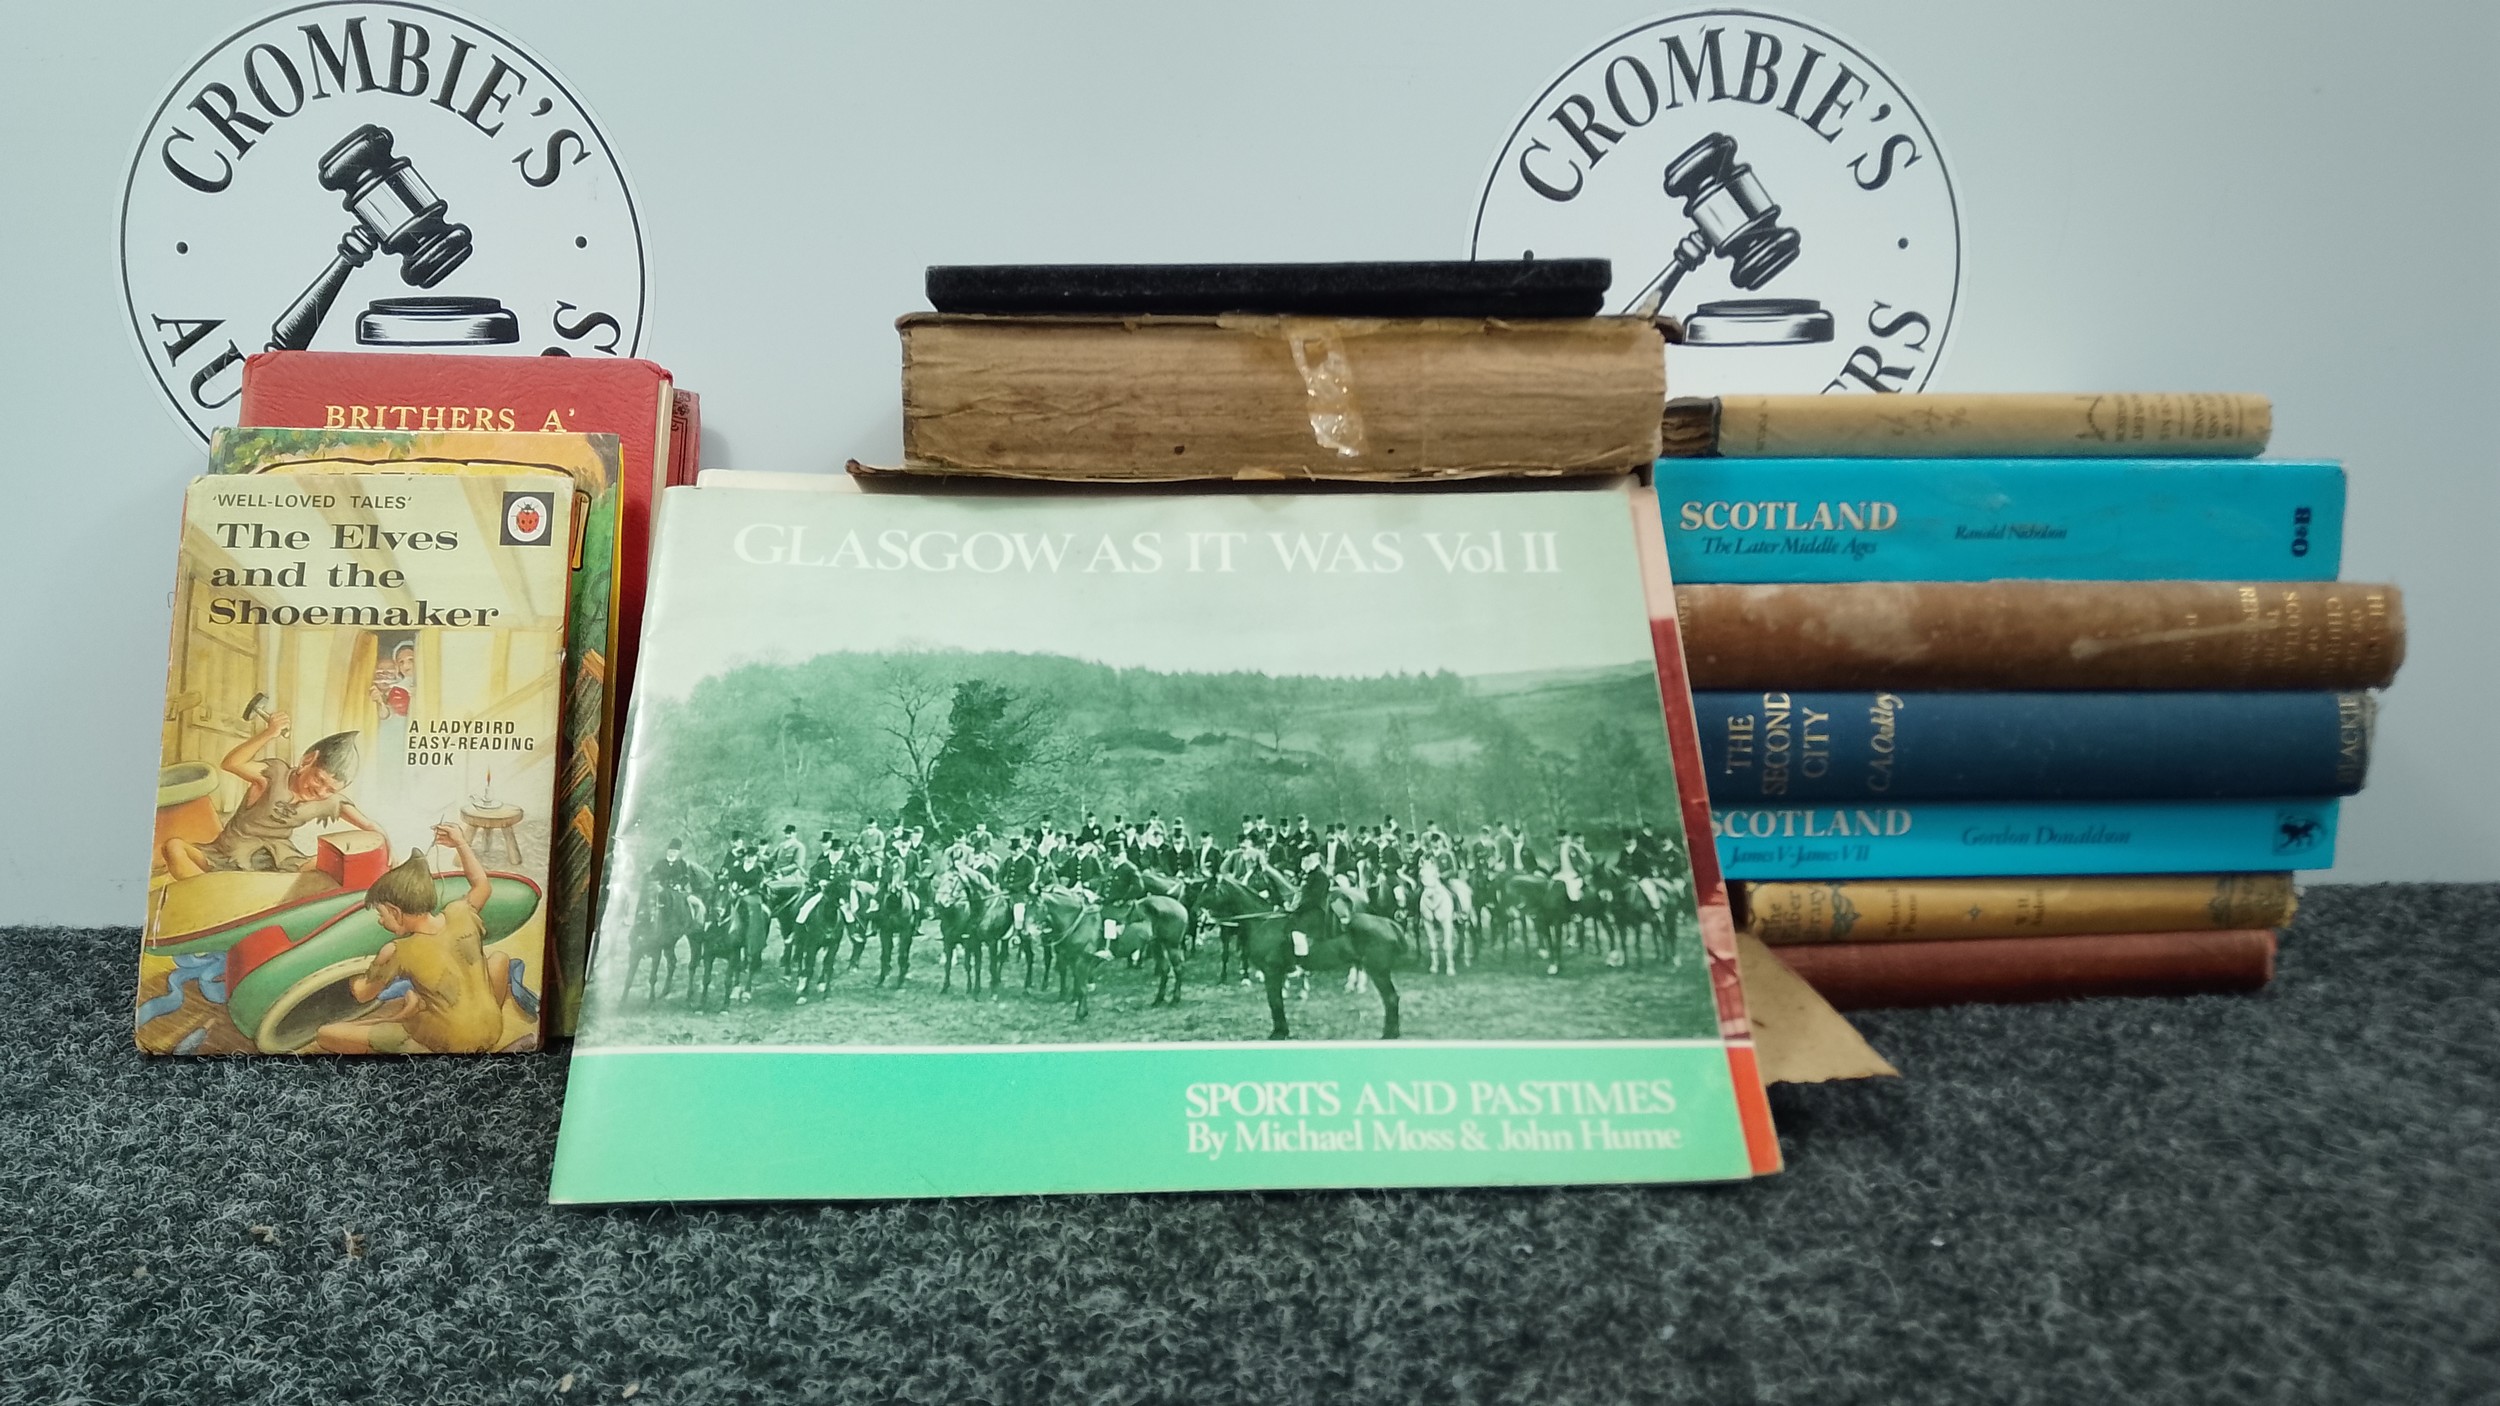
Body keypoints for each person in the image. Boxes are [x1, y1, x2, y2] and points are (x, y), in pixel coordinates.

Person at [315, 825, 520, 1054]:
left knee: (326, 1034)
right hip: (492, 1029)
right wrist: (460, 843)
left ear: (395, 911)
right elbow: (482, 884)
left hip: (451, 1043)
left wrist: (343, 968)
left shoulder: (397, 950)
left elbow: (363, 994)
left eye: (381, 914)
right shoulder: (461, 912)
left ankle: (424, 1051)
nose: (381, 921)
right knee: (499, 958)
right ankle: (474, 1030)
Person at [161, 714, 379, 880]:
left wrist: (387, 847)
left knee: (324, 866)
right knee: (173, 847)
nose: (321, 792)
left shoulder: (328, 800)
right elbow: (231, 763)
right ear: (306, 762)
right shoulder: (274, 775)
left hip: (278, 860)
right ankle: (207, 891)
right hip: (229, 853)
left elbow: (369, 825)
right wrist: (269, 733)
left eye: (331, 789)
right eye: (319, 780)